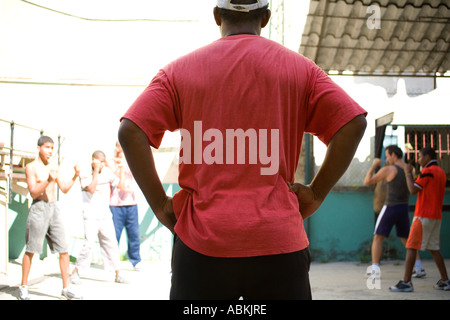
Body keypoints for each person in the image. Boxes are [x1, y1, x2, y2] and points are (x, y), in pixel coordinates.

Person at [118, 0, 367, 300]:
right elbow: (352, 123)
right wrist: (315, 193)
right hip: (279, 245)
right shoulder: (300, 70)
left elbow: (131, 130)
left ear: (216, 16)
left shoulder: (178, 72)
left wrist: (159, 205)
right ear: (265, 18)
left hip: (202, 247)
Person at [19, 135, 81, 300]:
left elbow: (64, 188)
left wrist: (75, 176)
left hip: (54, 208)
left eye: (52, 148)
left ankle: (66, 289)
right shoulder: (31, 167)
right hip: (39, 208)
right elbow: (33, 191)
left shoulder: (54, 167)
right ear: (39, 148)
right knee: (31, 249)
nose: (50, 151)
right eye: (47, 147)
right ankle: (23, 286)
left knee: (64, 250)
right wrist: (48, 180)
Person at [390, 147, 449, 292]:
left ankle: (406, 282)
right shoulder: (441, 172)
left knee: (411, 246)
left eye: (420, 157)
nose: (418, 160)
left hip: (423, 215)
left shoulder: (428, 171)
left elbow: (413, 189)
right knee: (434, 248)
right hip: (435, 216)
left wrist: (408, 173)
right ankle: (446, 281)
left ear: (427, 157)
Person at [363, 145, 422, 278]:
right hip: (403, 208)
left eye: (388, 155)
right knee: (407, 239)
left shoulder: (389, 169)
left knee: (377, 238)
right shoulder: (409, 169)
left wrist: (373, 165)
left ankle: (374, 270)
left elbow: (367, 181)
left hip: (390, 207)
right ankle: (419, 267)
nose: (387, 158)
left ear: (394, 155)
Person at [70, 150, 128, 284]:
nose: (102, 164)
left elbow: (121, 186)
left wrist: (121, 168)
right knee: (89, 243)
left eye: (103, 162)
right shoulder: (85, 173)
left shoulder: (107, 172)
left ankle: (117, 273)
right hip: (90, 214)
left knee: (111, 243)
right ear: (93, 160)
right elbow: (91, 188)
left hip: (105, 215)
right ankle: (76, 271)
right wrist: (95, 171)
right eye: (99, 161)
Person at [108, 142, 142, 271]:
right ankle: (112, 261)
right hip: (116, 204)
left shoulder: (132, 160)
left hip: (131, 203)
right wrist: (120, 165)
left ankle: (135, 261)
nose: (121, 148)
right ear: (116, 147)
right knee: (114, 235)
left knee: (134, 234)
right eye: (119, 145)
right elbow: (114, 178)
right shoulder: (111, 162)